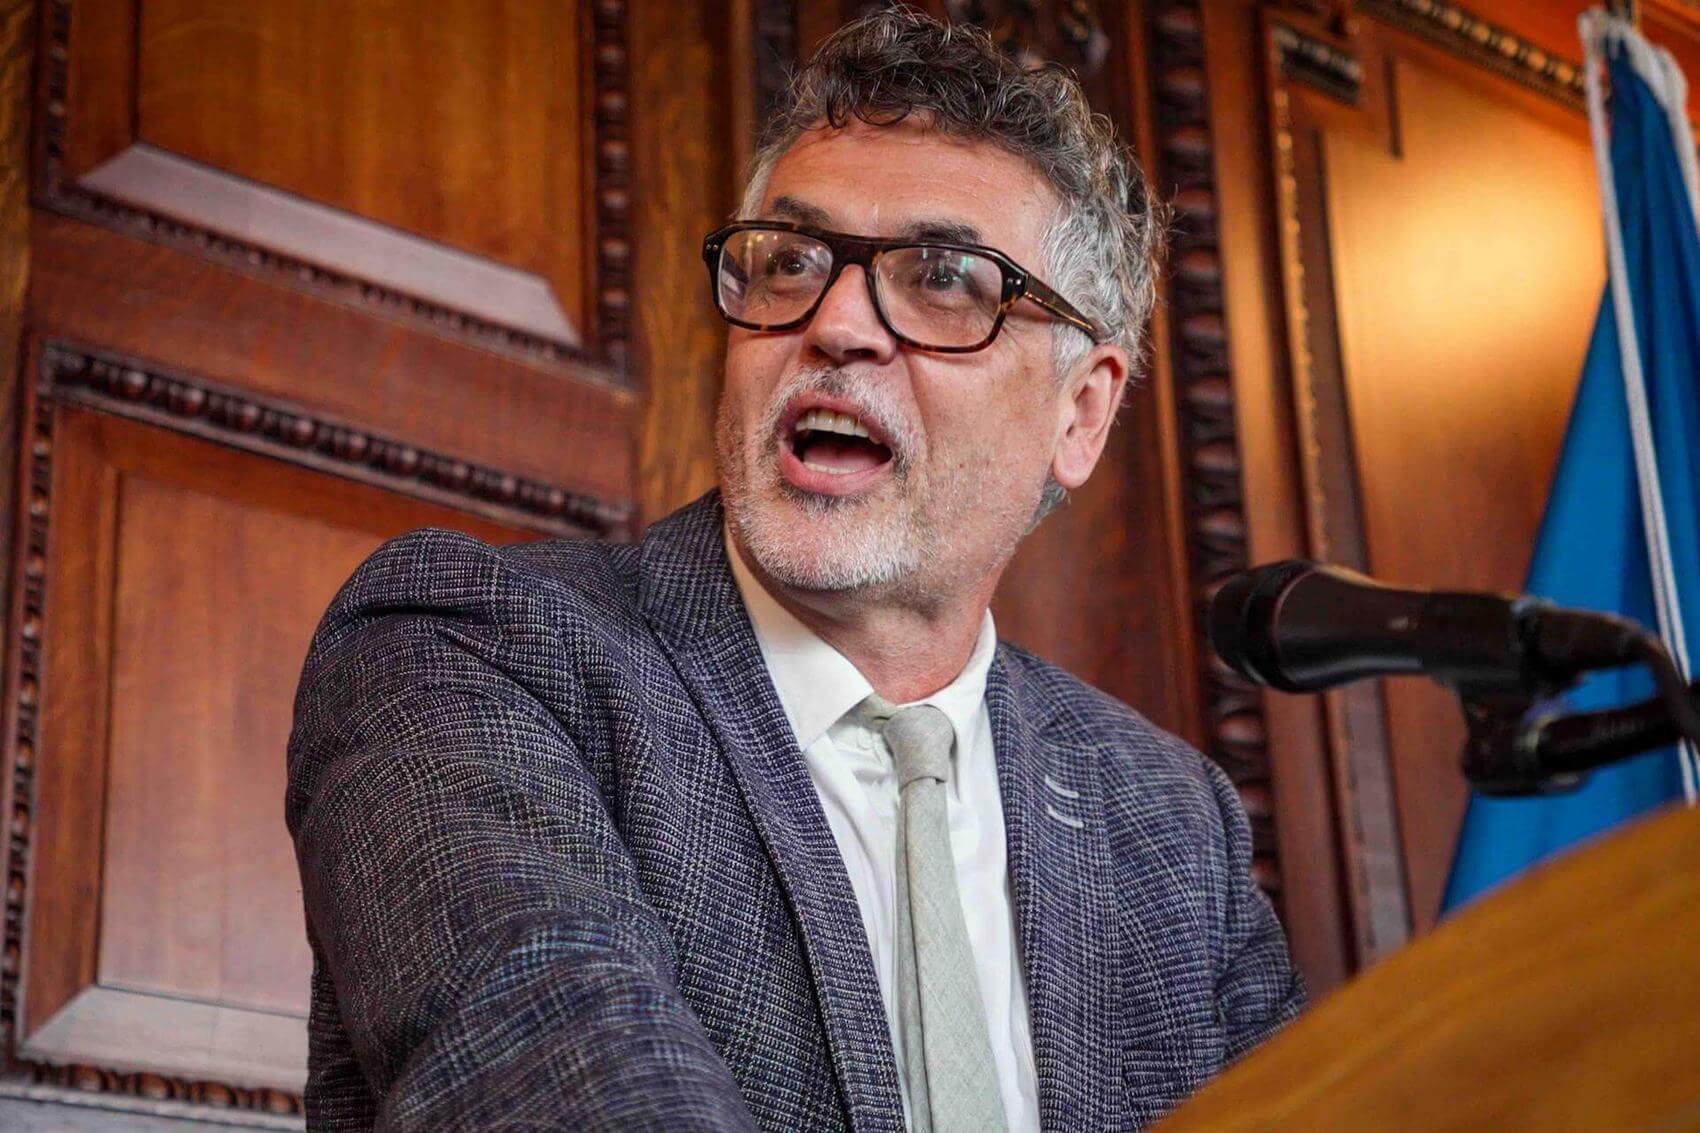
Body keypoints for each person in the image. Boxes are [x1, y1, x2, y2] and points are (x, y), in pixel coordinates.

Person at [286, 9, 1304, 1132]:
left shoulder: (1169, 820)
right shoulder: (468, 645)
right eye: (790, 261)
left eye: (944, 279)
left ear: (1079, 410)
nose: (835, 323)